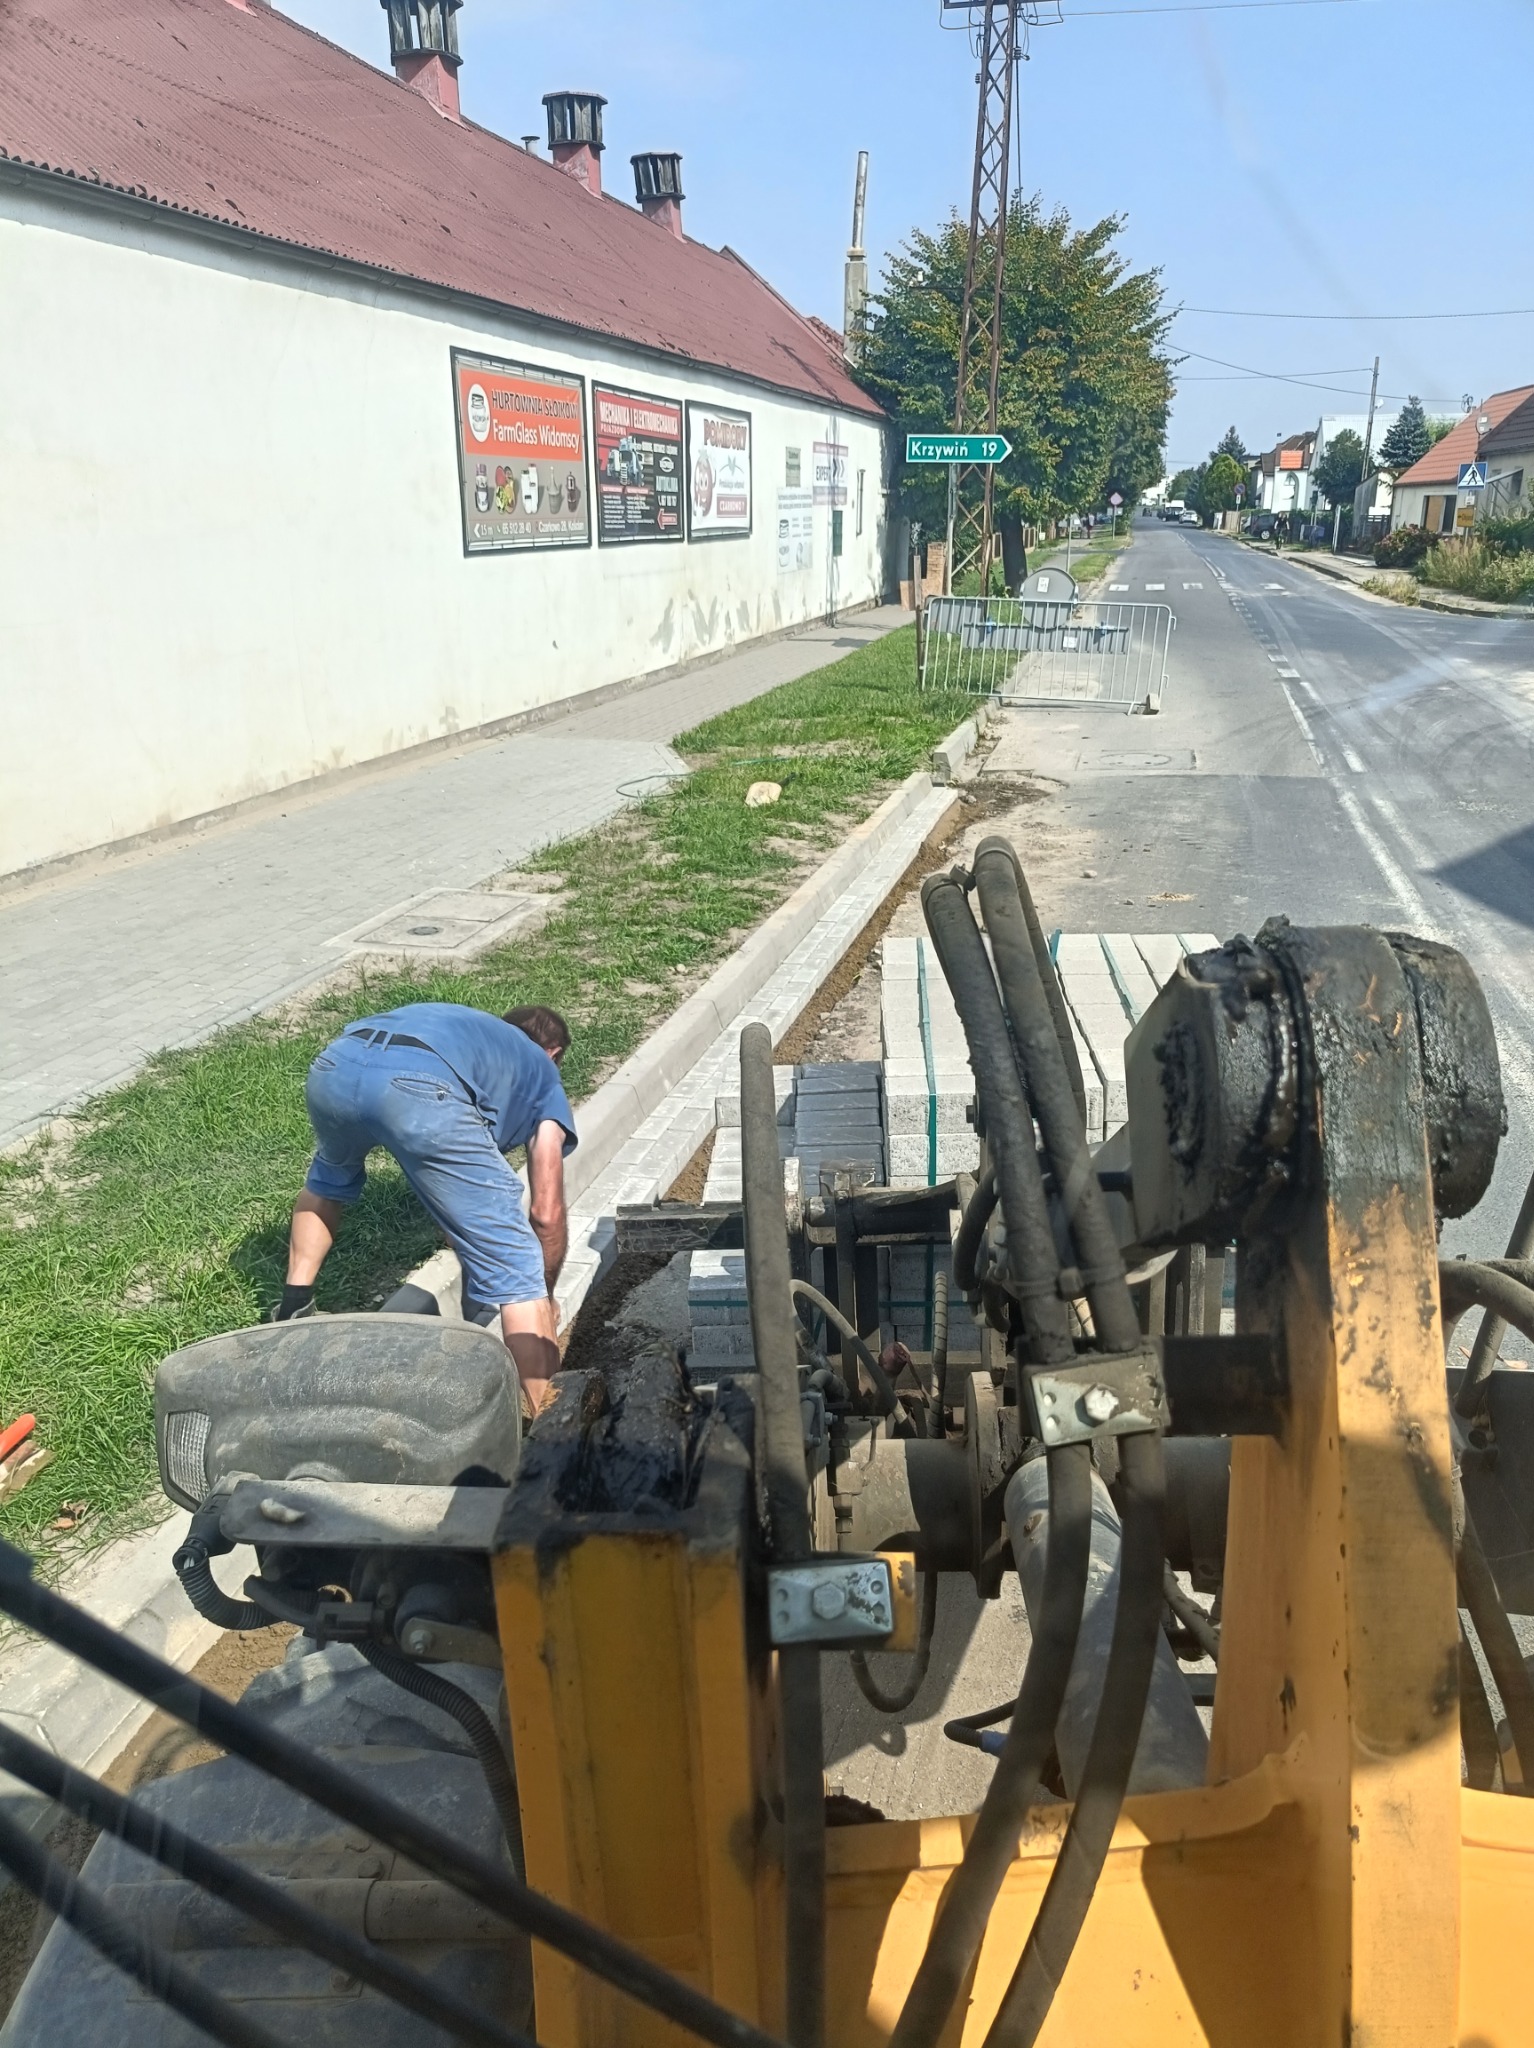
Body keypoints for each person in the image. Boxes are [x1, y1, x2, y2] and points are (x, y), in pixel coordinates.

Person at [276, 1001, 577, 1416]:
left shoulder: (470, 1032)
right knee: (518, 1263)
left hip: (336, 1066)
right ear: (554, 1054)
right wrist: (541, 1296)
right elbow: (545, 1211)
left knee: (329, 1177)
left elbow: (453, 1187)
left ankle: (293, 1304)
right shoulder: (542, 1072)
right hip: (418, 1086)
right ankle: (554, 1429)